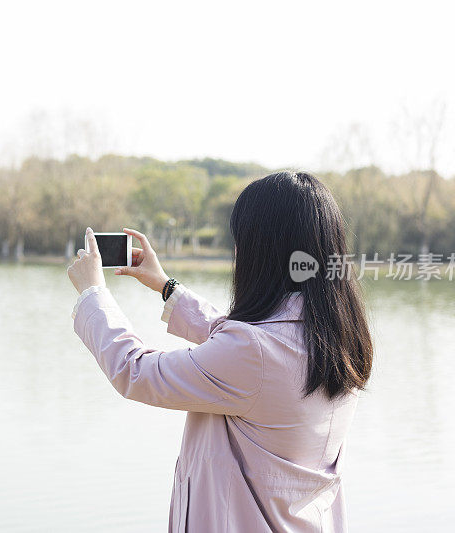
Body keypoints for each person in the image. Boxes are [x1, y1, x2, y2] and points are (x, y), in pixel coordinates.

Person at [66, 171, 373, 532]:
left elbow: (137, 373)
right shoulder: (338, 338)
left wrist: (93, 295)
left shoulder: (253, 353)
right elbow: (246, 347)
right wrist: (167, 287)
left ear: (261, 251)